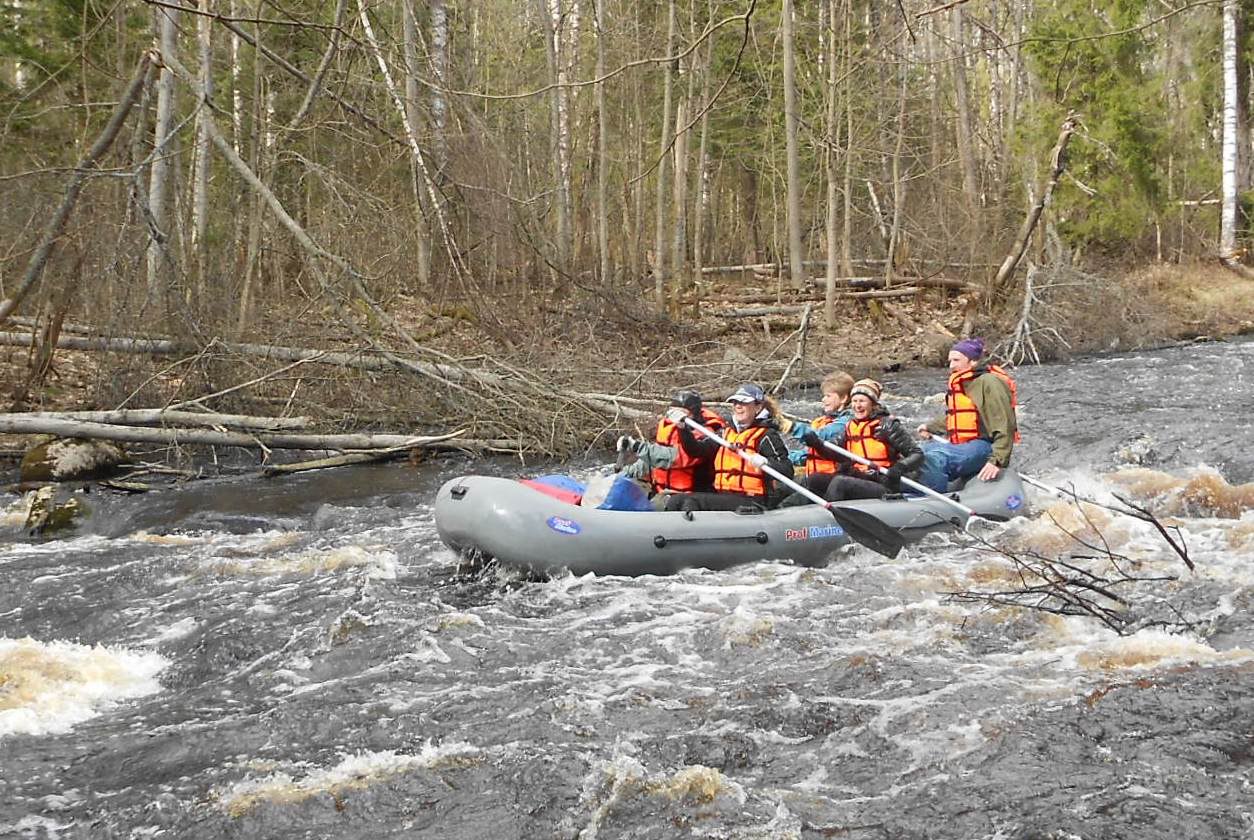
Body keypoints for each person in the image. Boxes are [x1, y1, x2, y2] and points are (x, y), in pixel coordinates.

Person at [667, 382, 793, 512]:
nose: (738, 406)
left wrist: (766, 462)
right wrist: (682, 429)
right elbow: (696, 451)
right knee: (676, 500)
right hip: (724, 496)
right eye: (735, 402)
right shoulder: (725, 432)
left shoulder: (767, 435)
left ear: (758, 407)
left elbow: (787, 470)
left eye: (744, 403)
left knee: (691, 501)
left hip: (752, 500)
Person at [916, 337, 1018, 488]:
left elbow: (1004, 423)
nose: (951, 366)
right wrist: (930, 427)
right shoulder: (964, 382)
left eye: (956, 360)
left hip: (985, 446)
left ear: (973, 361)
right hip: (964, 445)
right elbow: (962, 417)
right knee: (918, 452)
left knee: (937, 458)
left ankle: (932, 496)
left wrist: (997, 460)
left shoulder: (989, 382)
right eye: (950, 361)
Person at [817, 378, 925, 502]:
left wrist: (899, 468)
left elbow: (917, 454)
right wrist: (814, 442)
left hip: (883, 484)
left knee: (840, 483)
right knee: (815, 479)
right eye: (855, 401)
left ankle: (828, 512)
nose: (857, 406)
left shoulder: (887, 425)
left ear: (873, 404)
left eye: (862, 401)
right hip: (859, 477)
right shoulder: (850, 426)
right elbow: (832, 451)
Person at [616, 390, 727, 501]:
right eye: (672, 410)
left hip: (690, 496)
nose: (673, 414)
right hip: (662, 491)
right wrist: (626, 472)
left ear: (691, 412)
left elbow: (675, 458)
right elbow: (653, 461)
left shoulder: (705, 432)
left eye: (679, 411)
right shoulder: (669, 425)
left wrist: (637, 447)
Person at [787, 371, 855, 495]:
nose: (823, 400)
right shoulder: (822, 421)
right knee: (781, 489)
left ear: (843, 398)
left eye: (828, 396)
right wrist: (786, 458)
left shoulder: (846, 422)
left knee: (789, 501)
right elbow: (809, 454)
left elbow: (817, 437)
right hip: (814, 479)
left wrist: (790, 427)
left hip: (831, 481)